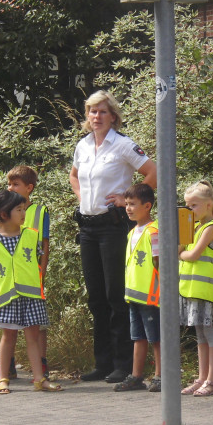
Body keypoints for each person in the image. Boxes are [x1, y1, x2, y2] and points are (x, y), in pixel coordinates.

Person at [69, 90, 157, 383]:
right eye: (92, 111)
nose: (97, 117)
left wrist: (127, 199)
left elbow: (152, 172)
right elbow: (73, 175)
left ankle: (123, 364)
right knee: (96, 297)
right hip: (87, 227)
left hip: (113, 225)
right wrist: (81, 198)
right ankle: (102, 363)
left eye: (103, 112)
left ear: (113, 116)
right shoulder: (82, 146)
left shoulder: (122, 145)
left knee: (115, 294)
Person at [0, 190, 62, 394]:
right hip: (8, 297)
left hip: (32, 296)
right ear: (4, 214)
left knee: (33, 337)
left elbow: (38, 259)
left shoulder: (30, 234)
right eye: (19, 209)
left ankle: (39, 379)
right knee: (8, 337)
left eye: (24, 209)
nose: (23, 213)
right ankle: (3, 378)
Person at [0, 165, 51, 383]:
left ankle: (40, 367)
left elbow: (44, 244)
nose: (10, 187)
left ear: (29, 188)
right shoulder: (3, 211)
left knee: (36, 326)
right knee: (10, 329)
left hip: (32, 278)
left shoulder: (39, 211)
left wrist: (41, 271)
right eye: (9, 184)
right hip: (10, 285)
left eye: (15, 184)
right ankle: (7, 369)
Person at [178, 180, 213, 397]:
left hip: (206, 292)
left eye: (194, 206)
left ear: (209, 205)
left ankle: (212, 380)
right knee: (200, 335)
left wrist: (180, 254)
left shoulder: (211, 228)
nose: (190, 210)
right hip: (191, 290)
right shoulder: (194, 227)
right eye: (187, 206)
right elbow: (179, 247)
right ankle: (201, 378)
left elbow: (192, 254)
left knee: (210, 333)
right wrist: (182, 234)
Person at [114, 183, 161, 392]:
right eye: (126, 204)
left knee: (156, 338)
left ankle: (161, 375)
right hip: (134, 294)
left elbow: (160, 261)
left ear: (147, 205)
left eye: (133, 204)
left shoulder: (154, 230)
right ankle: (136, 375)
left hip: (151, 296)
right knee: (138, 337)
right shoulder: (131, 232)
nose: (128, 208)